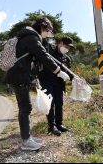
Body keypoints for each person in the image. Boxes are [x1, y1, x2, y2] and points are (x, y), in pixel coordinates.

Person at [5, 17, 70, 151]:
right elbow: (43, 56)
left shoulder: (28, 36)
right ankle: (26, 141)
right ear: (42, 27)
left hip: (20, 76)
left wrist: (36, 81)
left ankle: (27, 137)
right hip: (19, 76)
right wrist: (58, 71)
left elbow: (32, 63)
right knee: (26, 108)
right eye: (48, 30)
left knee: (25, 108)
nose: (48, 34)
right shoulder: (31, 37)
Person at [37, 37, 75, 136]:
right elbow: (42, 56)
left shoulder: (66, 58)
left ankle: (59, 124)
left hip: (59, 82)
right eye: (66, 46)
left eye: (68, 48)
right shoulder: (49, 49)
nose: (67, 49)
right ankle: (51, 125)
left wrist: (75, 79)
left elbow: (68, 72)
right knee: (50, 102)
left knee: (59, 103)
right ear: (61, 43)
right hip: (46, 80)